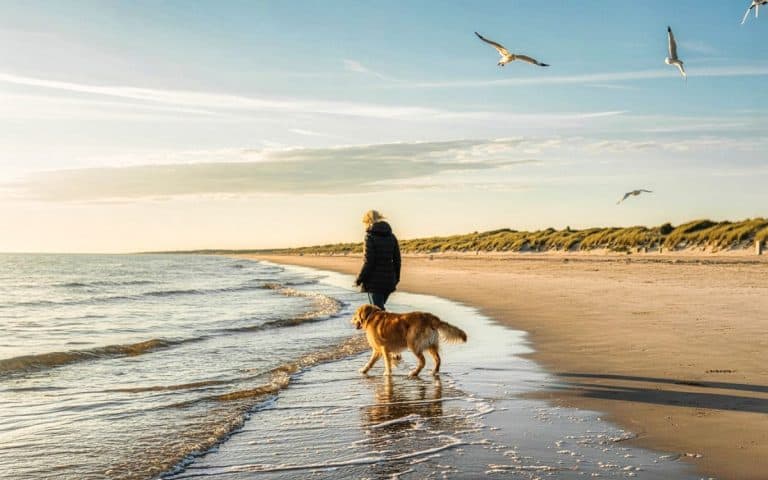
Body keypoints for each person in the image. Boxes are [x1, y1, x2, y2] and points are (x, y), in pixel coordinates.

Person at [355, 210, 401, 310]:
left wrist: (359, 279)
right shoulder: (392, 236)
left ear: (367, 221)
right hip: (389, 280)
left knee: (378, 312)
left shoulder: (369, 237)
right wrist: (396, 278)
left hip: (374, 282)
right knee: (380, 310)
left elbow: (368, 261)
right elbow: (397, 260)